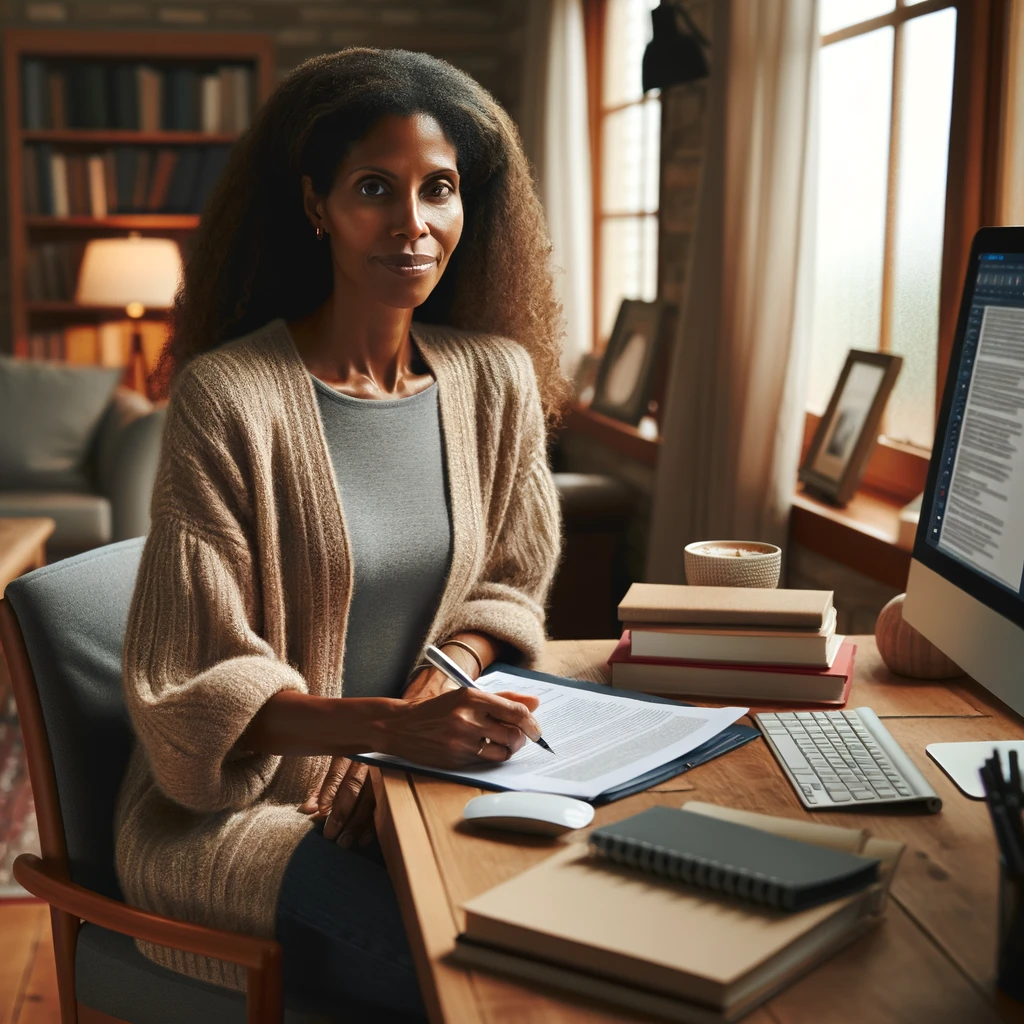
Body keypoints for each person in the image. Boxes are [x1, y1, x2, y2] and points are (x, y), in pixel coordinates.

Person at [115, 47, 567, 1022]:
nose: (414, 224)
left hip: (417, 784)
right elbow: (188, 688)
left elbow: (509, 586)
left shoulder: (495, 380)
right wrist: (383, 729)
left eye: (438, 188)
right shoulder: (228, 398)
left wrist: (422, 709)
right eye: (376, 187)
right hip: (234, 820)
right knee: (492, 975)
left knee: (595, 927)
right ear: (316, 203)